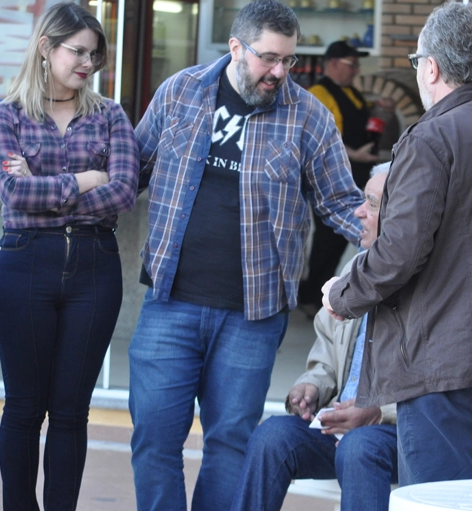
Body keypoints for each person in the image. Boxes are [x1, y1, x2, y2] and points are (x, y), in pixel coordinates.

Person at [322, 2, 472, 486]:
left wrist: (341, 295)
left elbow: (397, 254)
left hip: (447, 363)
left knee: (444, 500)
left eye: (418, 63)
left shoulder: (431, 137)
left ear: (430, 66)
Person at [129, 1, 364, 509]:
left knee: (230, 445)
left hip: (251, 318)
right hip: (169, 305)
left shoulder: (309, 118)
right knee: (153, 441)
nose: (279, 71)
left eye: (290, 61)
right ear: (235, 47)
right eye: (269, 58)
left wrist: (400, 242)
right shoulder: (181, 92)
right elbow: (131, 169)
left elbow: (343, 203)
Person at [0, 3, 138, 509]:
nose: (88, 63)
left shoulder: (110, 115)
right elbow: (12, 192)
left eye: (95, 54)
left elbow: (125, 192)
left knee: (71, 412)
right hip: (24, 266)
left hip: (94, 269)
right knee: (25, 409)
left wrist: (45, 185)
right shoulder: (6, 115)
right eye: (78, 51)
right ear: (46, 48)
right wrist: (86, 180)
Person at [231, 164, 397, 511]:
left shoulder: (431, 287)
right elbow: (326, 359)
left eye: (371, 203)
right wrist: (311, 388)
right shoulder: (355, 270)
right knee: (272, 436)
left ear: (402, 213)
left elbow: (440, 389)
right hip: (338, 426)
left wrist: (376, 412)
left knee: (359, 449)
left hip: (393, 432)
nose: (359, 211)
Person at [298, 40, 392, 315]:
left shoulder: (351, 92)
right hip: (332, 179)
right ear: (333, 64)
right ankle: (312, 295)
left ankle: (322, 292)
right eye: (352, 64)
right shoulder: (319, 93)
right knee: (327, 240)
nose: (356, 70)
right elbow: (324, 136)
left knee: (338, 243)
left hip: (357, 177)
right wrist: (356, 154)